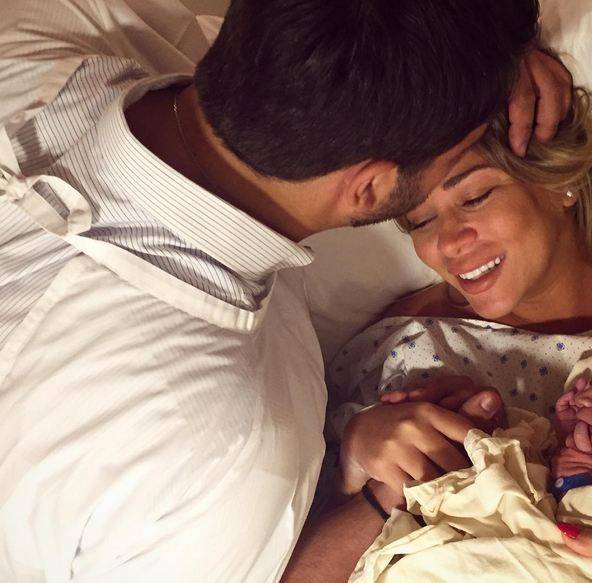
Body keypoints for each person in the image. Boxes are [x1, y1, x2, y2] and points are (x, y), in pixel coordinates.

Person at [0, 0, 571, 581]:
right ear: (370, 189)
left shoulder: (47, 35)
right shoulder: (222, 456)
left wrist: (477, 59)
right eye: (428, 205)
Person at [325, 80, 592, 575]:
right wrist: (361, 465)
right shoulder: (413, 348)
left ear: (560, 182)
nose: (448, 242)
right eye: (421, 220)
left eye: (475, 197)